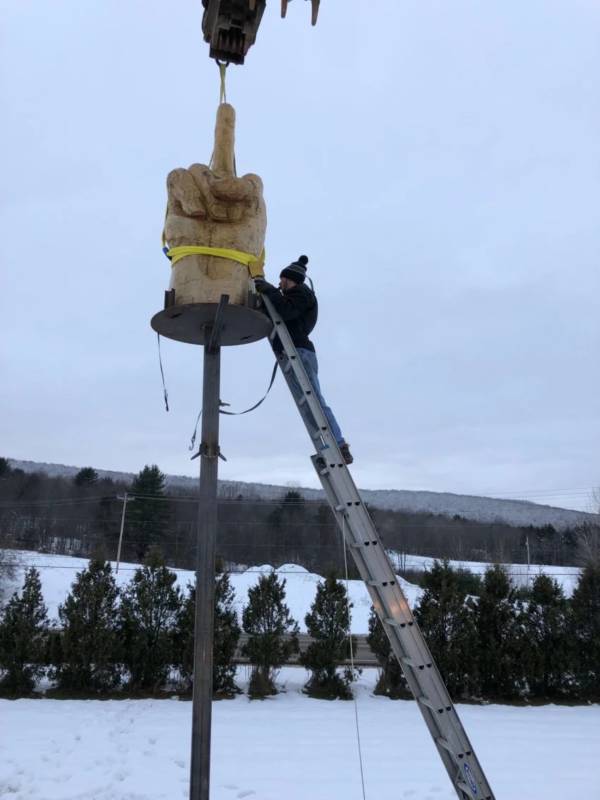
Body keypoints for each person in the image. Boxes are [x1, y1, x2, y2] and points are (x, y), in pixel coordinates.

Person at [255, 256, 353, 465]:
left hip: (300, 352)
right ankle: (327, 447)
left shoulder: (301, 294)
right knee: (308, 405)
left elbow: (286, 310)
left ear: (292, 280)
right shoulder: (290, 296)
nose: (280, 283)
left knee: (315, 400)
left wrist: (269, 290)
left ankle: (339, 443)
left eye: (282, 280)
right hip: (293, 351)